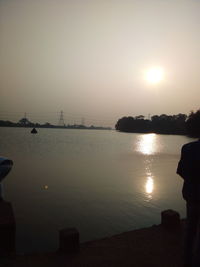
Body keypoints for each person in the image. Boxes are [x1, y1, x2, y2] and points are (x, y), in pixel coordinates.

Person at [177, 110, 200, 267]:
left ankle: (187, 261)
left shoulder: (188, 148)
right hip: (193, 194)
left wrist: (193, 181)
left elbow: (181, 172)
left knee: (190, 230)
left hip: (192, 195)